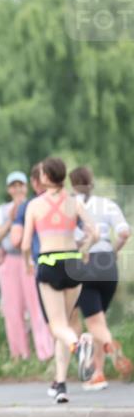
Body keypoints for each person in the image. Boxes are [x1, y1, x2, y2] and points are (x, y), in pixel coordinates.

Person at [21, 157, 98, 403]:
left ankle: (79, 345)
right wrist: (84, 248)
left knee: (58, 327)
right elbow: (94, 232)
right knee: (63, 326)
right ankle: (60, 384)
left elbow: (24, 244)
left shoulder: (34, 205)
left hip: (49, 263)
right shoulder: (74, 202)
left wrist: (28, 263)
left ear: (45, 177)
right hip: (74, 263)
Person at [68, 166, 131, 390]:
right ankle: (99, 373)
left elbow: (70, 240)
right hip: (108, 265)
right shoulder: (108, 204)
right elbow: (125, 232)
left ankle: (113, 349)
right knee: (98, 319)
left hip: (85, 263)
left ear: (73, 184)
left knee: (93, 322)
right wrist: (113, 251)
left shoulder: (72, 206)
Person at [0, 171, 55, 361]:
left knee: (37, 307)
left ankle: (46, 353)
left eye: (21, 185)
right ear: (9, 189)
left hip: (31, 259)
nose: (17, 189)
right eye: (14, 186)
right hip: (10, 259)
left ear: (26, 187)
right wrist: (11, 219)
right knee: (13, 310)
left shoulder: (35, 206)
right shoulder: (2, 211)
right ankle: (19, 355)